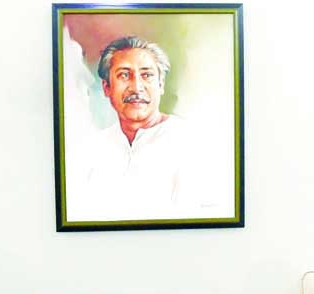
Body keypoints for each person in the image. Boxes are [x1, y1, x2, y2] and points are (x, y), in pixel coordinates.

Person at [66, 35, 231, 222]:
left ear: (160, 85)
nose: (136, 87)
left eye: (146, 75)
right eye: (124, 75)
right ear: (106, 87)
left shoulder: (191, 142)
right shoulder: (91, 149)